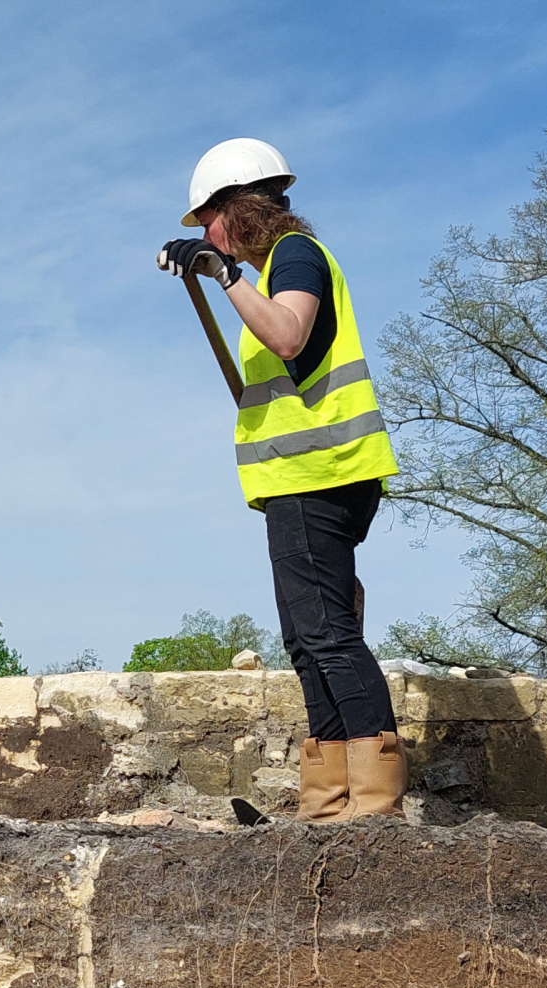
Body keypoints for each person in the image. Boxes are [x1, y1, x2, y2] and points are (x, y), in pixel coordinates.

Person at [156, 138, 406, 821]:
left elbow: (290, 335)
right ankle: (328, 803)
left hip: (320, 473)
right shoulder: (267, 270)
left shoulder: (294, 257)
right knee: (307, 637)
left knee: (327, 633)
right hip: (304, 476)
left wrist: (225, 273)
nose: (203, 233)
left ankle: (373, 804)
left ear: (236, 209)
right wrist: (225, 273)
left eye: (205, 220)